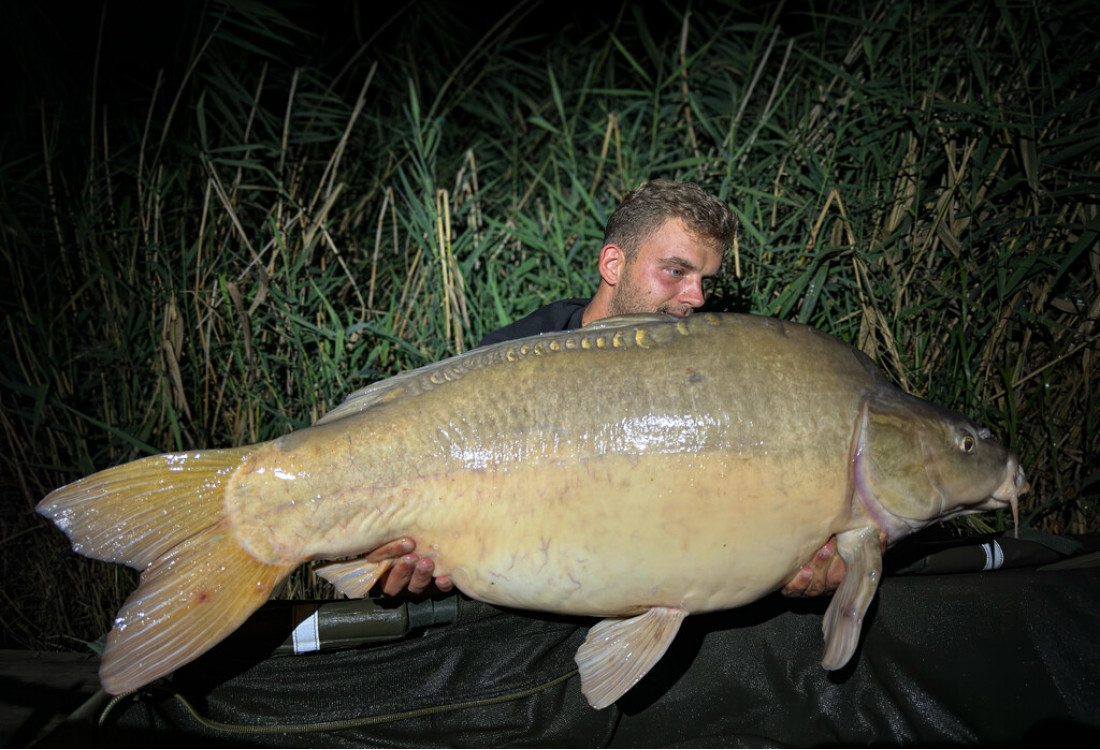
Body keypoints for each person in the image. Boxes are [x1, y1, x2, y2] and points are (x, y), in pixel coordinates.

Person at [366, 179, 846, 599]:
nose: (697, 298)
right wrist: (396, 564)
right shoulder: (513, 356)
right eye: (676, 272)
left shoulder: (711, 375)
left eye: (705, 281)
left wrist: (778, 561)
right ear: (613, 265)